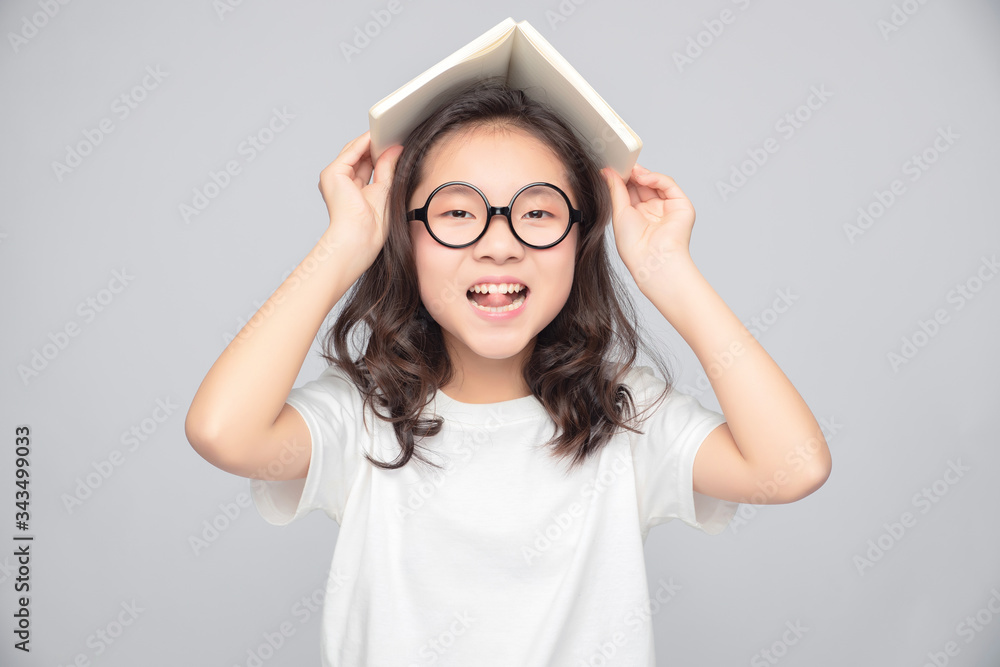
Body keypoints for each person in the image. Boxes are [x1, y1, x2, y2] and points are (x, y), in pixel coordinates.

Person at [185, 78, 832, 666]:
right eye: (458, 212)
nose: (500, 242)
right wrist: (342, 245)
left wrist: (671, 273)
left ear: (580, 238)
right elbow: (224, 432)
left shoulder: (622, 412)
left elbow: (793, 464)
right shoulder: (365, 413)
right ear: (403, 236)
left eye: (539, 212)